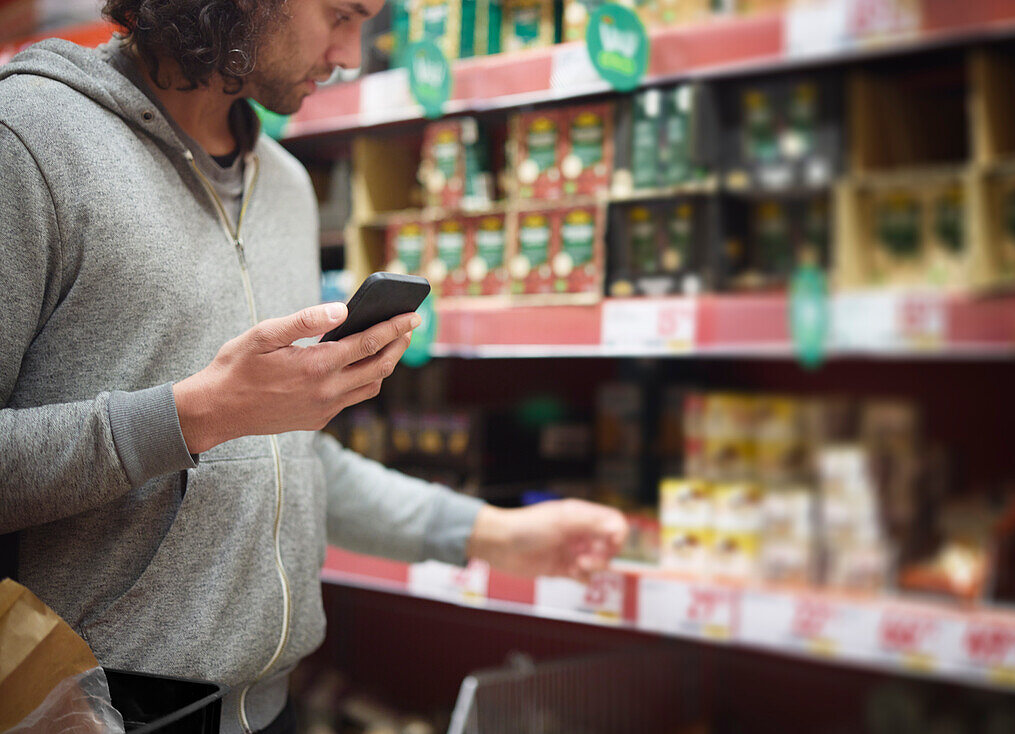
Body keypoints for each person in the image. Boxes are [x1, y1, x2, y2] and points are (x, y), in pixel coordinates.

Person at [0, 1, 627, 732]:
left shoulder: (287, 187)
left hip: (268, 707)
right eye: (341, 14)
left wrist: (490, 534)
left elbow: (284, 460)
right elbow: (219, 417)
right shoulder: (30, 140)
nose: (353, 52)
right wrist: (199, 413)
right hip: (81, 708)